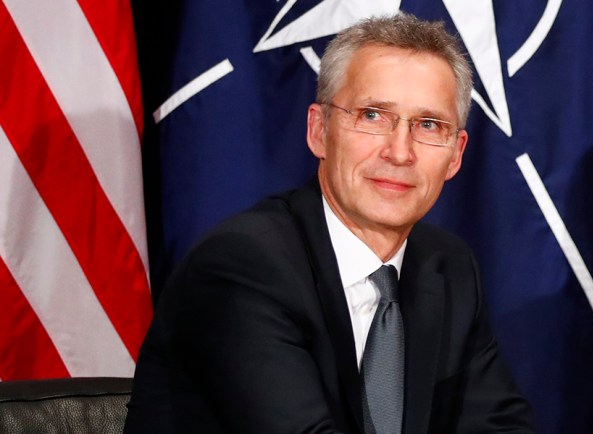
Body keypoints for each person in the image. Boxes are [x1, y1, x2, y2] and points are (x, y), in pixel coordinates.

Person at [125, 13, 536, 434]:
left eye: (428, 125)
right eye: (373, 115)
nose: (400, 152)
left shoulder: (447, 266)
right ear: (319, 130)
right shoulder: (242, 267)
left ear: (455, 153)